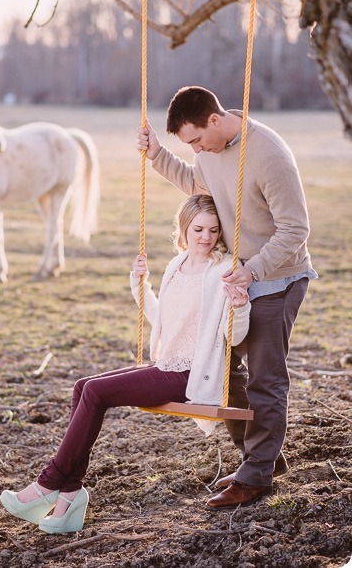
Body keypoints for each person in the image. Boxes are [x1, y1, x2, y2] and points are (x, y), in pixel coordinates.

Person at [0, 194, 250, 533]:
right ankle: (69, 496)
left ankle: (49, 483)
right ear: (184, 230)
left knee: (97, 393)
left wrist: (241, 306)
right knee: (82, 387)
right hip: (167, 364)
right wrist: (140, 285)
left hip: (191, 374)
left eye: (213, 230)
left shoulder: (222, 269)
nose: (206, 237)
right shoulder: (177, 266)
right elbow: (163, 318)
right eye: (198, 229)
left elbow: (233, 337)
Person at [136, 85, 317, 510]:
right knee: (222, 372)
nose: (197, 149)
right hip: (235, 279)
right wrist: (158, 154)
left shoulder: (268, 154)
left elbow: (296, 229)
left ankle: (256, 475)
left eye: (197, 140)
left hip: (278, 278)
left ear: (214, 120)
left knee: (265, 377)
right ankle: (263, 458)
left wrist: (254, 270)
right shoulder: (211, 149)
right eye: (190, 145)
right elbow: (197, 184)